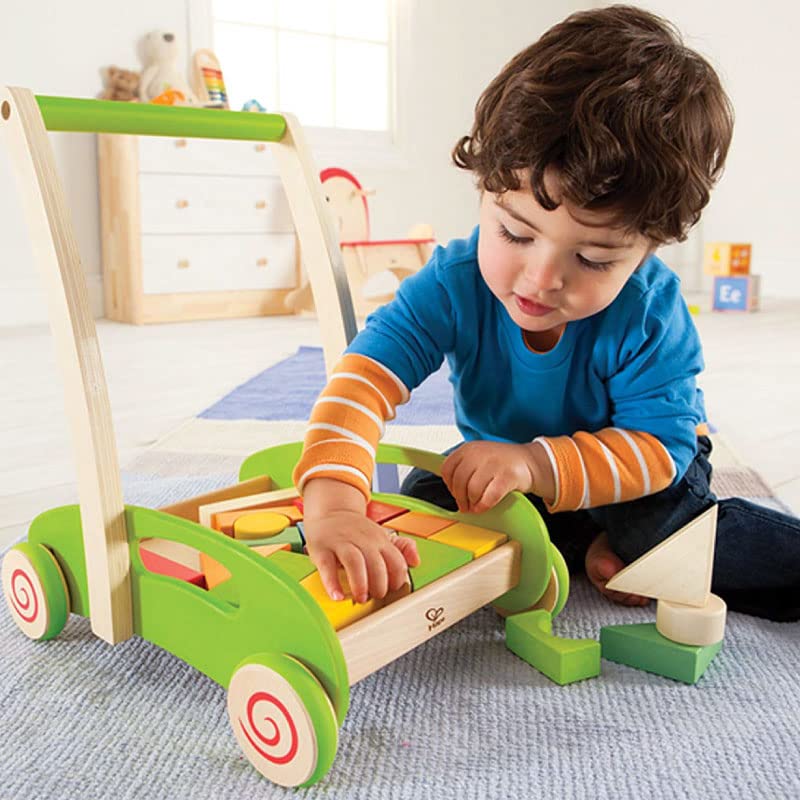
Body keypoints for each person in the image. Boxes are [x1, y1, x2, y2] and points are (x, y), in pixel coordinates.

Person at [292, 5, 800, 622]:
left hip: (637, 472)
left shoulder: (649, 313)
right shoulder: (452, 284)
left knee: (664, 531)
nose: (541, 279)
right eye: (513, 233)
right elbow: (363, 378)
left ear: (649, 247)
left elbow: (659, 451)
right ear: (483, 189)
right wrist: (336, 502)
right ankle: (590, 547)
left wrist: (535, 462)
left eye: (591, 258)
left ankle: (626, 546)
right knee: (427, 504)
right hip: (513, 474)